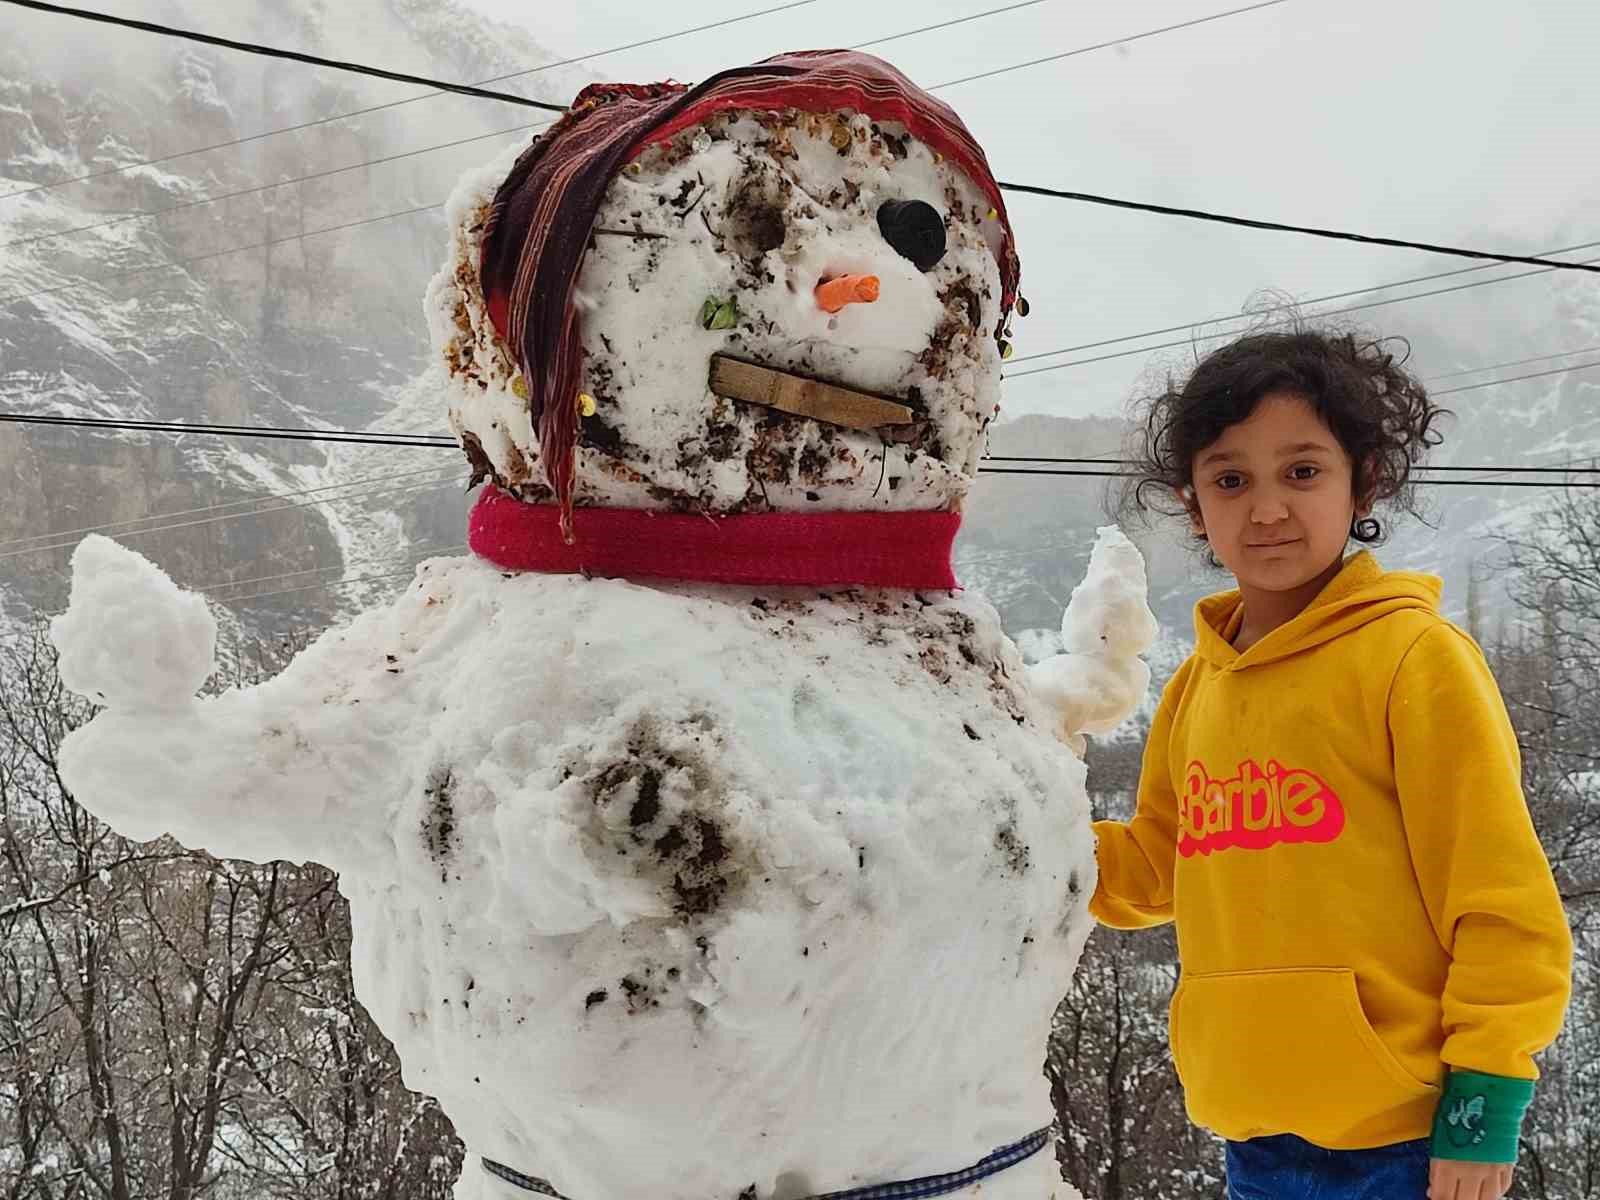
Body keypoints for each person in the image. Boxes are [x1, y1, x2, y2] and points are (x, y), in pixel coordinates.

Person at [1096, 328, 1573, 1200]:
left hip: (1406, 1142)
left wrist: (1485, 1104)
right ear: (1193, 504)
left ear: (1365, 482)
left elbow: (1499, 900)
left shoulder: (1413, 659)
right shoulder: (1198, 684)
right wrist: (1032, 836)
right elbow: (1157, 870)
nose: (1266, 509)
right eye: (1231, 480)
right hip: (1251, 1131)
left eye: (1303, 471)